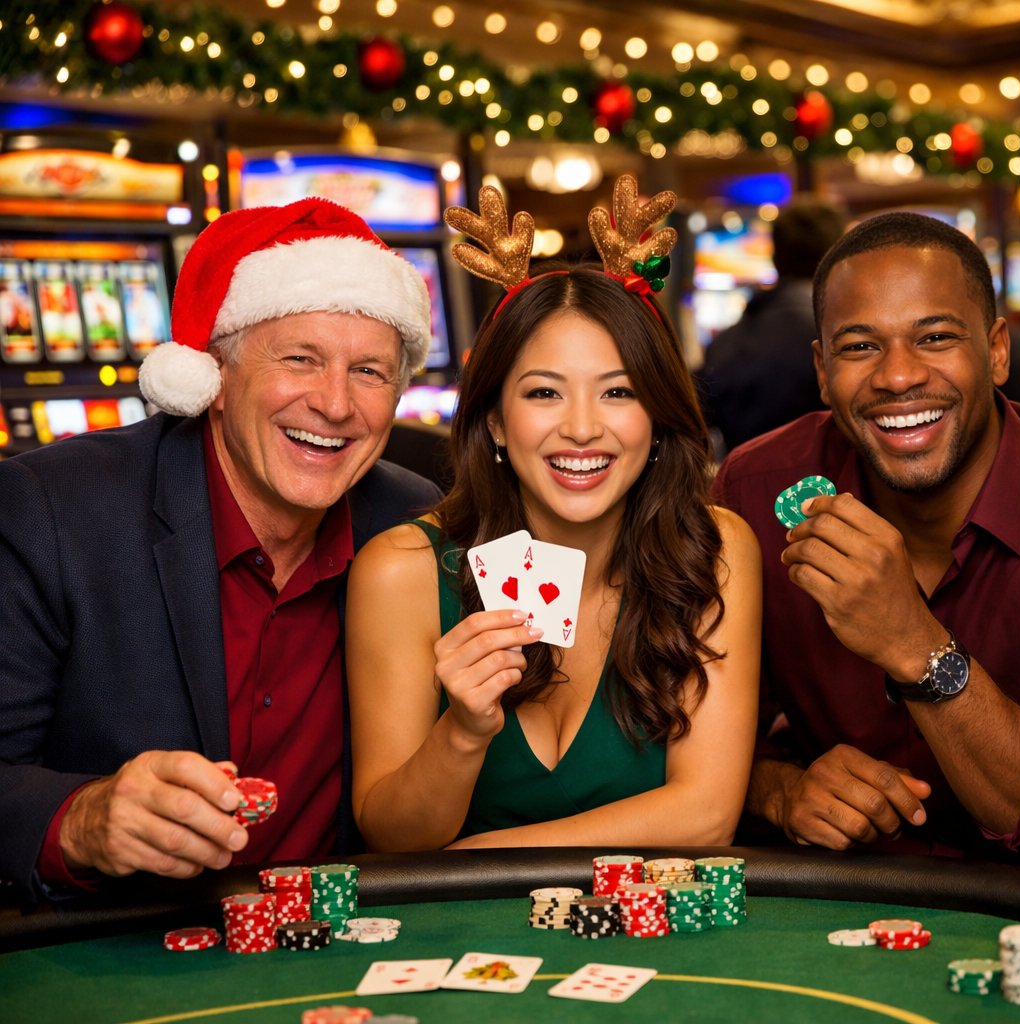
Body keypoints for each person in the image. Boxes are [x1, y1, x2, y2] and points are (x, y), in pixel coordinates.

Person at [0, 199, 442, 899]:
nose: (335, 404)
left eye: (370, 372)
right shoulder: (51, 511)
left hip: (341, 945)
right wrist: (82, 821)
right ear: (214, 379)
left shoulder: (419, 523)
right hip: (115, 950)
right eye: (300, 359)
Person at [346, 176, 760, 850]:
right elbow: (393, 838)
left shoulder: (713, 549)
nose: (581, 428)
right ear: (496, 422)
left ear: (657, 418)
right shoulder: (400, 572)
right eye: (543, 392)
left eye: (618, 391)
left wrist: (478, 864)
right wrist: (463, 732)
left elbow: (705, 813)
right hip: (460, 948)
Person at [712, 212, 1020, 869]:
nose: (899, 376)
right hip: (841, 905)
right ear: (822, 371)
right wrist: (780, 789)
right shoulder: (758, 486)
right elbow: (689, 735)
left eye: (934, 337)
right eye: (859, 347)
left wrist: (912, 641)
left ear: (996, 351)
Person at [696, 199, 846, 454]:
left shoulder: (727, 341)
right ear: (839, 256)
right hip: (832, 488)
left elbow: (700, 419)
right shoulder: (843, 337)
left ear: (775, 256)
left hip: (744, 484)